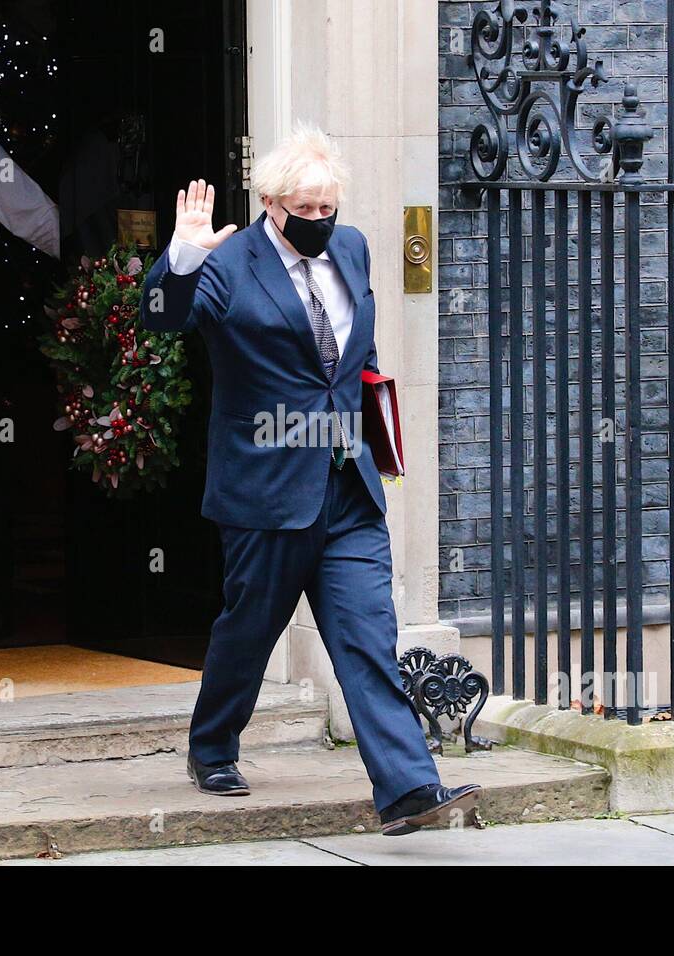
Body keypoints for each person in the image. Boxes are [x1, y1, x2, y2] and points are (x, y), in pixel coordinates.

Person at [141, 122, 481, 835]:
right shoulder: (228, 263)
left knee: (366, 635)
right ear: (271, 202)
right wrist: (181, 257)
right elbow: (160, 321)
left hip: (347, 484)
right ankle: (213, 746)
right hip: (265, 485)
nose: (321, 222)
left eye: (330, 209)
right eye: (307, 210)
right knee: (250, 627)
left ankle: (410, 788)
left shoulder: (351, 248)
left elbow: (356, 345)